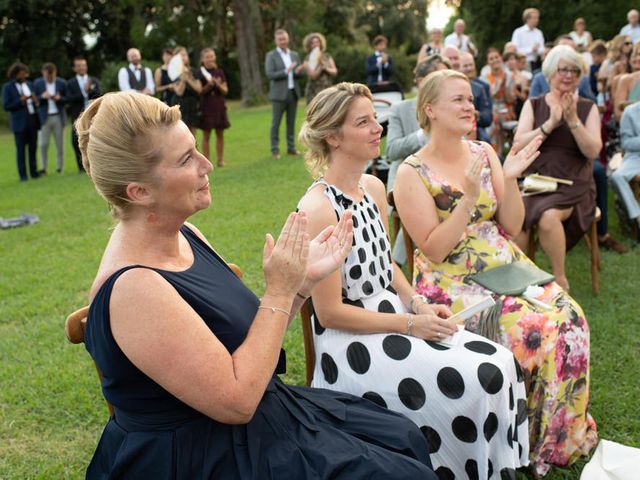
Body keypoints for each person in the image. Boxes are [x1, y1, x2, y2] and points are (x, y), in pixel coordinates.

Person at [77, 91, 437, 479]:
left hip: (260, 418)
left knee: (402, 434)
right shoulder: (133, 288)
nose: (207, 164)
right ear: (140, 191)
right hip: (203, 453)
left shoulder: (188, 234)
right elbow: (237, 401)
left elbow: (252, 341)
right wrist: (280, 290)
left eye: (196, 149)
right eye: (186, 160)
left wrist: (301, 283)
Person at [297, 82, 528, 479]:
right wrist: (410, 323)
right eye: (364, 122)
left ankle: (491, 469)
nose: (378, 129)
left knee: (503, 360)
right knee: (484, 374)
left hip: (393, 313)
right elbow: (330, 313)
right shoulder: (318, 208)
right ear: (333, 137)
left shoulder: (371, 186)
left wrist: (417, 303)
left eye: (376, 119)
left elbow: (387, 264)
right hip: (352, 341)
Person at [393, 69, 598, 477]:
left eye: (471, 98)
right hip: (452, 281)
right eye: (459, 100)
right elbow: (433, 248)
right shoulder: (410, 172)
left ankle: (557, 435)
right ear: (429, 109)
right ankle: (521, 437)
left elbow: (514, 224)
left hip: (507, 266)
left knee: (571, 316)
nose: (470, 106)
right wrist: (468, 198)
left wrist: (509, 177)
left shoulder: (484, 151)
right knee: (536, 329)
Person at [514, 45, 602, 290]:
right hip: (538, 179)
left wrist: (572, 121)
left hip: (574, 181)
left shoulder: (587, 107)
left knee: (548, 216)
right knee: (515, 214)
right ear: (550, 72)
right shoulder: (534, 104)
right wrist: (550, 123)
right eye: (563, 69)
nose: (569, 75)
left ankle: (559, 279)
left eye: (575, 70)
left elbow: (593, 151)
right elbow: (519, 144)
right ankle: (518, 277)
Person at [386, 55, 450, 265]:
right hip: (405, 177)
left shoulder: (450, 108)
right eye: (439, 77)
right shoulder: (400, 109)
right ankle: (396, 263)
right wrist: (423, 136)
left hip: (444, 175)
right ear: (422, 81)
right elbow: (392, 150)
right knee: (426, 198)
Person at [265, 29, 302, 158]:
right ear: (276, 41)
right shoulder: (271, 55)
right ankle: (275, 149)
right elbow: (270, 74)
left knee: (291, 122)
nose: (283, 41)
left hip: (293, 93)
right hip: (278, 95)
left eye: (284, 39)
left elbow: (299, 74)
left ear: (288, 39)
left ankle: (291, 148)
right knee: (276, 123)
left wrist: (298, 72)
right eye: (280, 39)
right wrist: (287, 70)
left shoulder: (294, 55)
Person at [2, 63, 40, 181]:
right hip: (19, 123)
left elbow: (36, 101)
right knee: (21, 150)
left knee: (33, 148)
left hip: (32, 120)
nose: (24, 76)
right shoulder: (8, 87)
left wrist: (34, 100)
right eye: (22, 74)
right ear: (15, 74)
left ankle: (34, 172)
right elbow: (6, 105)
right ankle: (23, 175)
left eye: (25, 73)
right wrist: (20, 100)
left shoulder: (29, 84)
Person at [66, 56, 102, 173]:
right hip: (77, 115)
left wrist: (90, 91)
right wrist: (83, 93)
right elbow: (68, 99)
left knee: (95, 139)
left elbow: (100, 95)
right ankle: (81, 166)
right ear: (74, 68)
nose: (82, 68)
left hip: (93, 115)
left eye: (83, 65)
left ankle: (96, 165)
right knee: (76, 140)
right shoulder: (70, 83)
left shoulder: (94, 80)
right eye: (79, 66)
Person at [611, 101, 640, 238]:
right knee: (617, 176)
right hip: (636, 156)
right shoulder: (630, 112)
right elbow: (626, 143)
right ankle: (637, 216)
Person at [34, 62, 67, 174]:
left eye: (51, 75)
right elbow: (35, 100)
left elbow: (67, 98)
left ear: (55, 73)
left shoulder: (61, 83)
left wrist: (59, 98)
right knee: (43, 144)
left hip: (58, 116)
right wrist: (42, 96)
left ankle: (59, 167)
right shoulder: (38, 83)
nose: (49, 78)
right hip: (44, 117)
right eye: (47, 76)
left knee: (59, 144)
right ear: (43, 74)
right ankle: (43, 167)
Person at [199, 47, 230, 167]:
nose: (210, 59)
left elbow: (225, 90)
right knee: (206, 134)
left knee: (220, 133)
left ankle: (220, 160)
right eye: (207, 57)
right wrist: (208, 85)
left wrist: (217, 84)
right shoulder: (200, 73)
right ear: (202, 59)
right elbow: (199, 91)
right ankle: (207, 162)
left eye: (212, 56)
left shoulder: (220, 72)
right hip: (206, 105)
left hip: (219, 105)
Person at [482, 48, 516, 152]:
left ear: (500, 58)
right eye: (491, 58)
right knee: (494, 122)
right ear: (488, 62)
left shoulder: (509, 76)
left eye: (496, 57)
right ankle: (496, 153)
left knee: (506, 119)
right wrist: (499, 87)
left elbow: (511, 99)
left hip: (507, 109)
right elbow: (490, 98)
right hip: (492, 109)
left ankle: (511, 151)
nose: (495, 60)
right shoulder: (484, 78)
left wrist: (504, 87)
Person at [460, 52, 493, 144]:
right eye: (465, 66)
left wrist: (475, 114)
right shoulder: (450, 86)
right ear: (459, 67)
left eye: (471, 65)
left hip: (477, 130)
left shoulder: (482, 87)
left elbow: (488, 118)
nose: (469, 68)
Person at [171, 46, 202, 136]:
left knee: (193, 133)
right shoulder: (174, 73)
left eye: (185, 55)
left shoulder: (194, 71)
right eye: (181, 56)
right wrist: (183, 80)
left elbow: (199, 89)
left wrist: (188, 79)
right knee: (181, 133)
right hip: (180, 104)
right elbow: (179, 92)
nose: (184, 57)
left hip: (192, 104)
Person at [299, 32, 338, 103]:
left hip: (327, 88)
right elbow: (312, 76)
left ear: (321, 43)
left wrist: (325, 68)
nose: (315, 44)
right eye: (312, 43)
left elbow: (334, 71)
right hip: (313, 91)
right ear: (309, 45)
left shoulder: (327, 56)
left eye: (317, 42)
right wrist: (320, 66)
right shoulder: (307, 59)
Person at [511, 7, 545, 72]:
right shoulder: (518, 32)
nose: (537, 20)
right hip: (521, 64)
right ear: (527, 19)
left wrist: (538, 50)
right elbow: (515, 50)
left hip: (535, 63)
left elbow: (541, 50)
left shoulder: (539, 33)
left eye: (537, 18)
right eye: (534, 18)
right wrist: (531, 49)